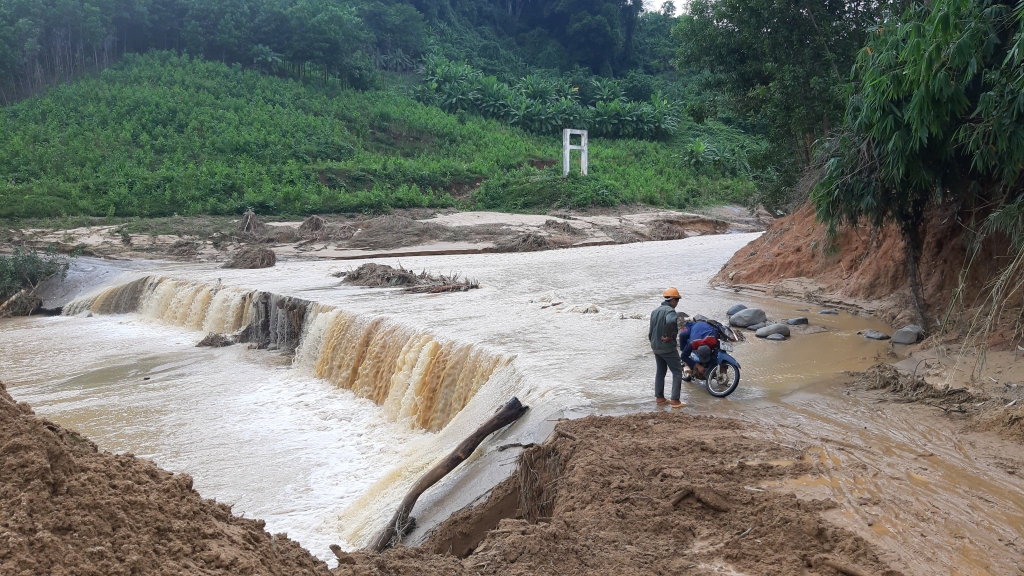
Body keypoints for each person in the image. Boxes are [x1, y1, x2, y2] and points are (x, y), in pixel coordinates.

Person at [649, 288, 686, 408]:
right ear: (673, 300)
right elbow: (670, 321)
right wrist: (669, 336)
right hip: (667, 347)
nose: (677, 303)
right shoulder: (670, 311)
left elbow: (651, 331)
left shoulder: (655, 311)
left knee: (660, 371)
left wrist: (654, 342)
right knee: (677, 371)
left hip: (656, 346)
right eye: (677, 300)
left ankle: (660, 398)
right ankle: (675, 400)